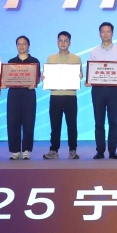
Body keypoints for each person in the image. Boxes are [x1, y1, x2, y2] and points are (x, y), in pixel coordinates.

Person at [89, 22, 117, 160]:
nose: (105, 34)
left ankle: (112, 151)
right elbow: (91, 71)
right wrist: (89, 79)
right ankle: (99, 151)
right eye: (103, 31)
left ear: (112, 33)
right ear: (99, 34)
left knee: (113, 122)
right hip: (98, 90)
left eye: (108, 31)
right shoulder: (94, 52)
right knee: (99, 121)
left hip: (114, 90)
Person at [43, 31, 80, 160]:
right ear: (57, 42)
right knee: (55, 125)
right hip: (55, 95)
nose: (63, 43)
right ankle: (54, 150)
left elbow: (79, 75)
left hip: (70, 95)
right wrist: (44, 77)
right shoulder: (51, 58)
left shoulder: (76, 59)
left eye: (66, 40)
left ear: (70, 43)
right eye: (60, 40)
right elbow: (47, 75)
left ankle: (73, 150)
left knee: (72, 125)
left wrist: (80, 76)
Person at [6, 36, 39, 160]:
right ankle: (15, 150)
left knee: (28, 121)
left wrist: (35, 83)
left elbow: (37, 78)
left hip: (28, 94)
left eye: (24, 43)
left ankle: (26, 150)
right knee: (13, 122)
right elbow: (7, 78)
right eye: (19, 44)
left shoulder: (34, 61)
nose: (21, 46)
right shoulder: (11, 62)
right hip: (13, 94)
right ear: (16, 46)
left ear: (28, 45)